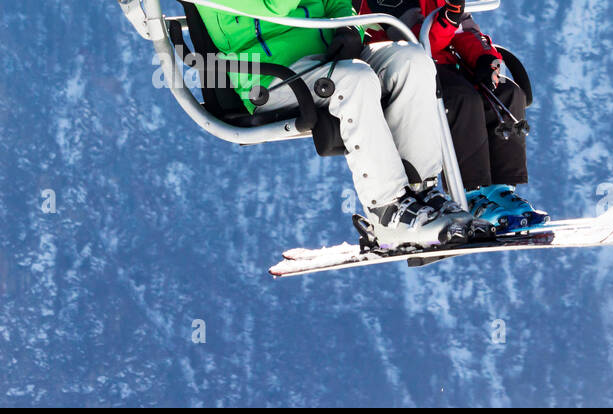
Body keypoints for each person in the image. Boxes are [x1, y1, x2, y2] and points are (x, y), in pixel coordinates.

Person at [192, 0, 492, 247]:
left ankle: (422, 192)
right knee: (355, 81)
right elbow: (274, 8)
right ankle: (386, 211)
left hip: (330, 60)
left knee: (411, 60)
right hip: (274, 77)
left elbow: (337, 2)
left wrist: (349, 29)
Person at [354, 0, 548, 231]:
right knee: (462, 99)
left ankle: (499, 190)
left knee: (508, 93)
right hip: (409, 73)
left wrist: (483, 58)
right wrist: (447, 20)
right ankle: (470, 192)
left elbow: (464, 30)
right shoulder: (373, 4)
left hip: (448, 64)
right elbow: (412, 42)